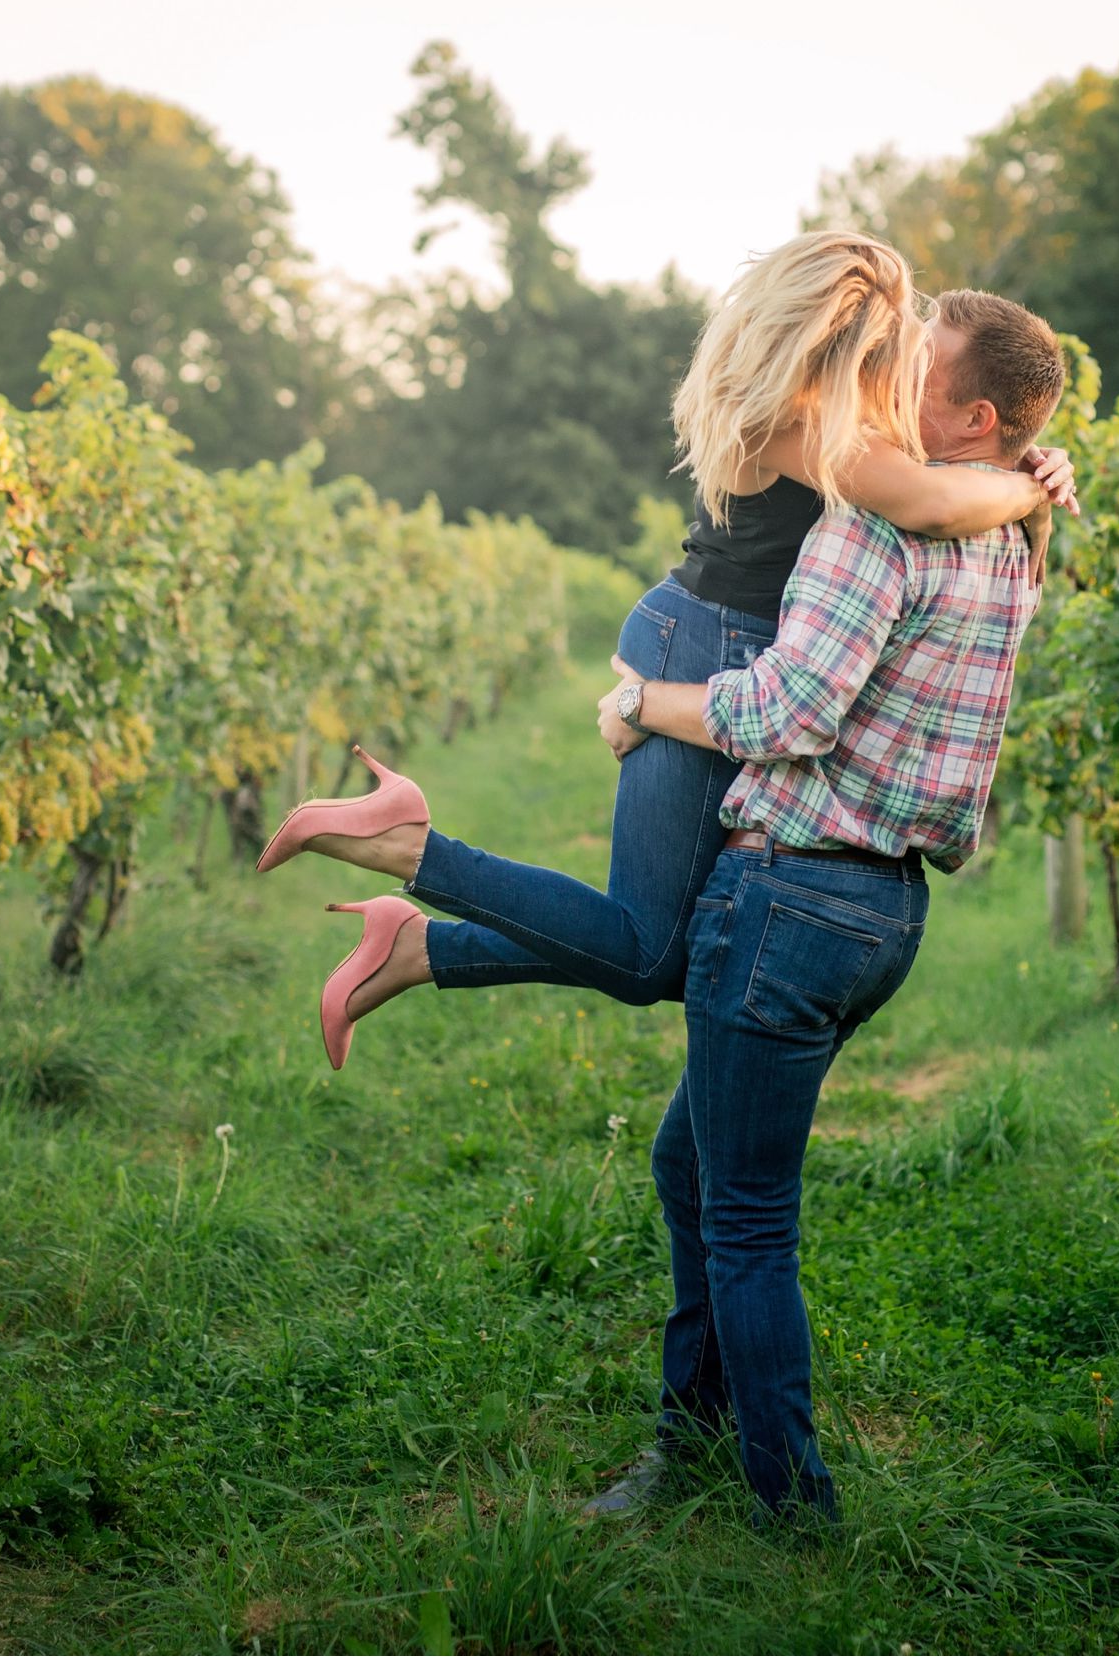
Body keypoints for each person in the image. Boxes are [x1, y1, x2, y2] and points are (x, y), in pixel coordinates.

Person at [283, 285, 1067, 1526]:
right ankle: (682, 1444)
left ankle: (788, 1507)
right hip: (887, 915)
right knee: (686, 1161)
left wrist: (642, 704)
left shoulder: (875, 519)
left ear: (972, 417)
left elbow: (786, 713)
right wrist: (1031, 478)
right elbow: (957, 506)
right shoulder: (1017, 541)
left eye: (914, 365)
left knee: (742, 1212)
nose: (885, 377)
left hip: (793, 895)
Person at [257, 232, 1071, 1050]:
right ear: (840, 338)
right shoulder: (793, 422)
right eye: (894, 339)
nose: (905, 363)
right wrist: (1023, 485)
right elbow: (931, 501)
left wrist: (1026, 457)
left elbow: (944, 465)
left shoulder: (843, 415)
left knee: (681, 945)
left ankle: (416, 945)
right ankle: (409, 849)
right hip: (708, 643)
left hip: (728, 640)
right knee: (651, 952)